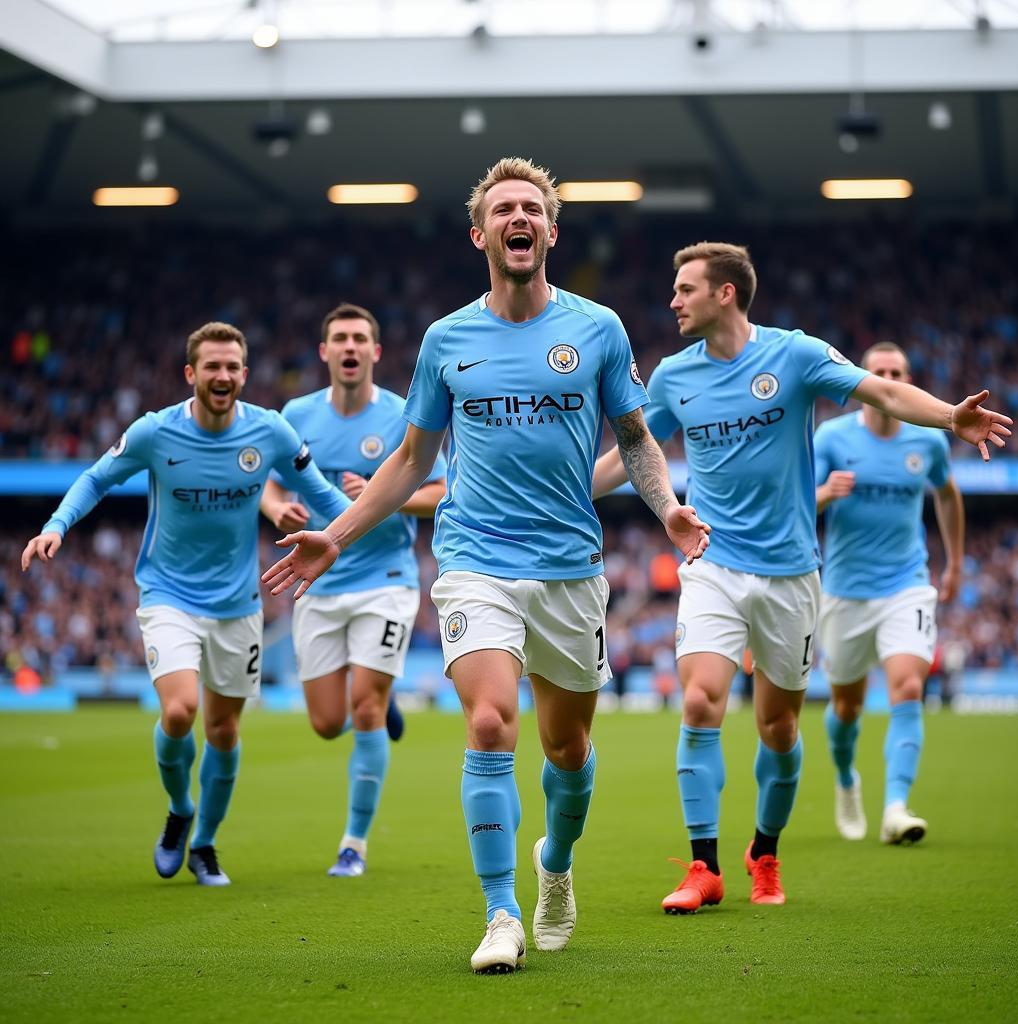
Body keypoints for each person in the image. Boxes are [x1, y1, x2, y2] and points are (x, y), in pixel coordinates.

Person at [262, 157, 710, 973]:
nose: (519, 218)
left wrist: (667, 505)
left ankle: (555, 864)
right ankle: (501, 912)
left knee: (568, 753)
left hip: (570, 567)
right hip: (473, 560)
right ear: (481, 234)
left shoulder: (597, 328)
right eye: (503, 208)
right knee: (490, 721)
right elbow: (408, 460)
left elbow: (638, 440)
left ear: (550, 231)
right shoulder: (445, 340)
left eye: (531, 209)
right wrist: (343, 530)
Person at [592, 242, 1011, 913]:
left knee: (780, 730)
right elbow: (632, 451)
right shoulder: (671, 377)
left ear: (725, 293)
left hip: (790, 574)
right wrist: (568, 491)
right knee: (699, 702)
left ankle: (765, 852)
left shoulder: (794, 354)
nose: (673, 300)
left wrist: (947, 416)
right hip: (714, 563)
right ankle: (705, 867)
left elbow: (881, 389)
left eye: (685, 289)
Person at [21, 322, 350, 886]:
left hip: (237, 605)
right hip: (168, 594)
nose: (222, 376)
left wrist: (358, 532)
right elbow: (97, 479)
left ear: (244, 375)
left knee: (223, 732)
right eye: (211, 367)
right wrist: (57, 525)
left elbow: (322, 494)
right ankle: (179, 809)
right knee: (179, 712)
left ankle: (205, 843)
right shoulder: (155, 432)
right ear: (190, 374)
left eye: (232, 367)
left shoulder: (270, 433)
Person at [260, 302, 446, 877]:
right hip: (318, 582)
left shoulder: (399, 415)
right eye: (339, 338)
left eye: (359, 338)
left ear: (375, 352)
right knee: (325, 722)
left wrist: (378, 493)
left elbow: (440, 491)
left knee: (363, 707)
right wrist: (276, 510)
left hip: (384, 580)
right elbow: (267, 486)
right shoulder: (295, 414)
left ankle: (354, 844)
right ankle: (382, 702)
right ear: (324, 351)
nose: (349, 347)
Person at [815, 341, 965, 845]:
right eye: (878, 370)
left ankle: (896, 807)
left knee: (907, 689)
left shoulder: (928, 441)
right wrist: (824, 493)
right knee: (846, 710)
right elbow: (796, 505)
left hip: (906, 584)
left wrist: (956, 561)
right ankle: (844, 778)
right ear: (863, 379)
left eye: (896, 371)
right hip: (844, 592)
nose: (887, 376)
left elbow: (946, 493)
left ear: (905, 378)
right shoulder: (832, 438)